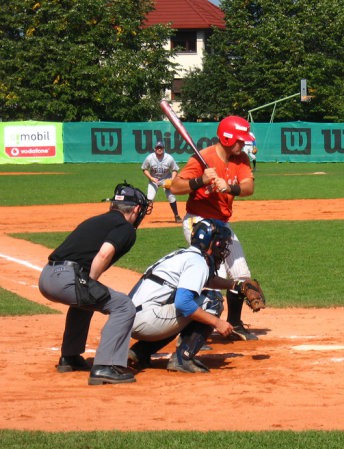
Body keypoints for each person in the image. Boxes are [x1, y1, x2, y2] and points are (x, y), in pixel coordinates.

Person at [38, 182, 152, 385]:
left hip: (47, 276)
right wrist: (88, 281)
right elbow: (105, 253)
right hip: (66, 278)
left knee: (87, 299)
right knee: (123, 306)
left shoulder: (96, 220)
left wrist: (87, 284)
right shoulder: (125, 228)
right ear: (136, 209)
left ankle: (70, 357)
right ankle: (105, 367)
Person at [170, 115, 259, 341]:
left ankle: (235, 323)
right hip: (198, 222)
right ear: (228, 139)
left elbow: (248, 187)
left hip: (222, 225)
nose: (243, 144)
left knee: (241, 274)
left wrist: (228, 187)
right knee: (212, 276)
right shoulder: (202, 158)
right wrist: (200, 180)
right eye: (240, 140)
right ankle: (192, 333)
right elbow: (177, 186)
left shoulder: (241, 160)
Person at [128, 219, 237, 373]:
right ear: (211, 243)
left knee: (182, 305)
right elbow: (183, 303)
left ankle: (140, 352)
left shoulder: (183, 255)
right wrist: (217, 322)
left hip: (129, 318)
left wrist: (235, 285)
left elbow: (208, 280)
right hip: (147, 321)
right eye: (220, 243)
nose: (223, 248)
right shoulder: (198, 262)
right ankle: (182, 359)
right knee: (212, 300)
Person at [141, 140, 182, 223]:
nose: (159, 149)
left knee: (171, 197)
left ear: (164, 148)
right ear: (154, 149)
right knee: (150, 198)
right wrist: (151, 178)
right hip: (154, 180)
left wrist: (172, 179)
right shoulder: (150, 158)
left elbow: (175, 169)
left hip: (166, 180)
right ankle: (140, 216)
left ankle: (177, 216)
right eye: (158, 148)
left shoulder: (169, 158)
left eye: (161, 148)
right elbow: (144, 169)